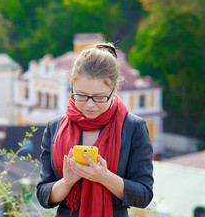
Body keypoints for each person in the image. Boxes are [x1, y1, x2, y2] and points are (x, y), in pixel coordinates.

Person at [36, 42, 154, 217]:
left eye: (99, 97)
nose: (89, 105)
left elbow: (144, 195)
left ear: (114, 89)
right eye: (81, 96)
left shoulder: (133, 127)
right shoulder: (56, 127)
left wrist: (105, 177)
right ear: (72, 86)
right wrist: (66, 182)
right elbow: (43, 194)